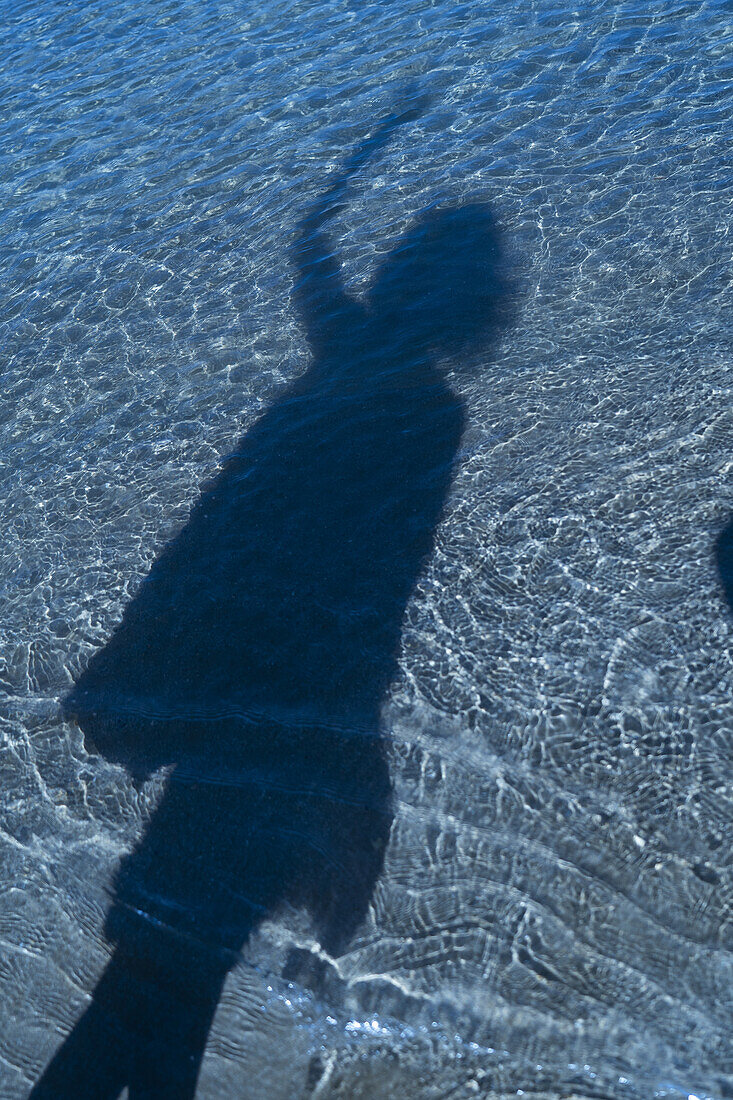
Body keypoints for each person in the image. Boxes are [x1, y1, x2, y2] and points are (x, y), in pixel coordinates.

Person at [31, 105, 509, 1098]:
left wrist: (370, 142)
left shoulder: (346, 352)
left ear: (407, 276)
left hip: (237, 705)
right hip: (298, 717)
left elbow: (310, 239)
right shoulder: (428, 411)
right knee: (166, 981)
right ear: (475, 309)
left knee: (156, 977)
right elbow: (370, 588)